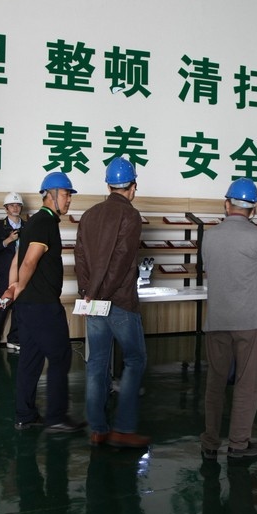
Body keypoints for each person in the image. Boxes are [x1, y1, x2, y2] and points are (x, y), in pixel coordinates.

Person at [0, 172, 86, 433]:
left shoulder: (33, 222)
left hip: (28, 306)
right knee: (61, 356)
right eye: (66, 194)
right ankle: (56, 417)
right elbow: (28, 261)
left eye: (69, 195)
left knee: (30, 359)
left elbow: (16, 259)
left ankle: (24, 415)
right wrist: (19, 286)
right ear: (51, 195)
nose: (69, 199)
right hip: (42, 305)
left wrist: (13, 287)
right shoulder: (45, 222)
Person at [74, 157, 151, 448]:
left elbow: (80, 258)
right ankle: (123, 429)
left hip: (93, 301)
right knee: (134, 359)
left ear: (108, 186)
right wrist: (102, 293)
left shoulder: (89, 215)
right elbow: (120, 262)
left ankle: (98, 429)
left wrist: (88, 292)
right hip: (120, 301)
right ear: (133, 186)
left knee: (96, 362)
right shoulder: (131, 216)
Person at [200, 177, 257, 460]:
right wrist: (254, 306)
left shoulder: (210, 236)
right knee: (246, 384)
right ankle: (238, 444)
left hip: (217, 318)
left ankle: (210, 442)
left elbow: (209, 271)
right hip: (249, 320)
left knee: (215, 381)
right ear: (253, 210)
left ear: (226, 204)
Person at [0, 192, 24, 353]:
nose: (15, 208)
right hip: (5, 274)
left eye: (18, 205)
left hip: (23, 273)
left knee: (20, 307)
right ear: (6, 208)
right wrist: (8, 240)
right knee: (2, 306)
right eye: (12, 205)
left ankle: (14, 339)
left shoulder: (28, 226)